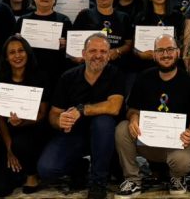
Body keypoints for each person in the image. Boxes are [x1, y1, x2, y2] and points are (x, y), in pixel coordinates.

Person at [37, 33, 125, 199]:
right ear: (83, 53)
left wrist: (81, 109)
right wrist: (59, 120)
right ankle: (79, 166)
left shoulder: (116, 74)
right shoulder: (68, 77)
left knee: (104, 122)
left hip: (106, 139)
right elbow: (54, 113)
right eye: (92, 51)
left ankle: (98, 182)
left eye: (103, 51)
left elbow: (114, 107)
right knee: (47, 170)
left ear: (109, 55)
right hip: (75, 134)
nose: (98, 55)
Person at [114, 34, 190, 197]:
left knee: (182, 162)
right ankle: (133, 180)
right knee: (122, 129)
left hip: (177, 142)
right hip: (147, 140)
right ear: (154, 54)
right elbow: (132, 109)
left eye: (170, 49)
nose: (165, 54)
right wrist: (133, 118)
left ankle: (177, 177)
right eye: (160, 50)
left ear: (178, 52)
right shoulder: (144, 77)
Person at [0, 35, 50, 196]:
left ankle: (31, 174)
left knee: (21, 143)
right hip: (9, 135)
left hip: (34, 132)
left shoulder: (40, 77)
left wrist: (22, 122)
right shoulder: (0, 81)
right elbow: (0, 119)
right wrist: (9, 149)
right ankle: (18, 173)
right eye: (12, 52)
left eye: (21, 51)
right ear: (6, 58)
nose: (17, 55)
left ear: (27, 53)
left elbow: (42, 114)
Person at [16, 0, 73, 88]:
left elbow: (72, 51)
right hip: (29, 72)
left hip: (55, 73)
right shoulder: (23, 20)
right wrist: (17, 41)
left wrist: (66, 45)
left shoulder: (64, 20)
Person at [73, 0, 134, 73]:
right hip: (89, 70)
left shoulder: (124, 17)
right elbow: (73, 42)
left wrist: (117, 51)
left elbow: (129, 44)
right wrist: (75, 56)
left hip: (117, 71)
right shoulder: (84, 15)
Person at [132, 0, 186, 67]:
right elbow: (134, 48)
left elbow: (183, 44)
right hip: (147, 66)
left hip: (172, 66)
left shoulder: (178, 16)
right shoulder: (141, 18)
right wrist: (140, 54)